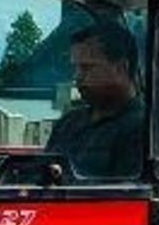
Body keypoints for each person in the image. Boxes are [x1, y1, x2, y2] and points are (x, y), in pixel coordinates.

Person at [47, 22, 145, 180]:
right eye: (76, 67)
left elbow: (125, 197)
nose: (77, 76)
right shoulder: (68, 123)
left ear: (121, 68)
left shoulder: (144, 131)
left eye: (87, 67)